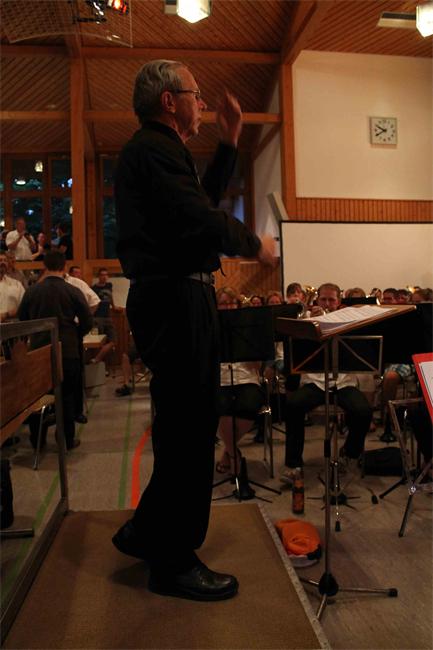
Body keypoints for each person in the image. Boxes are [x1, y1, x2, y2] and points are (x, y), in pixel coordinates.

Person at [112, 59, 275, 601]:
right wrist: (253, 244)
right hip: (175, 299)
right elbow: (200, 218)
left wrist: (229, 141)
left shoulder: (158, 150)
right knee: (188, 430)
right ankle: (174, 562)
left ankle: (148, 531)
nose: (201, 103)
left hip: (176, 297)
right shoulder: (152, 150)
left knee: (184, 424)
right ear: (169, 101)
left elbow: (199, 203)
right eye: (195, 94)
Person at [282, 282, 372, 487]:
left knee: (363, 411)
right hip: (315, 382)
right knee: (293, 405)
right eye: (323, 299)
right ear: (317, 300)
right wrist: (312, 321)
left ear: (338, 302)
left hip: (343, 382)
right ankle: (294, 465)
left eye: (331, 300)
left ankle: (349, 453)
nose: (327, 303)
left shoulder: (348, 320)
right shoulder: (306, 320)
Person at [18, 251, 93, 450]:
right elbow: (87, 320)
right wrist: (75, 334)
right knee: (67, 396)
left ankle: (38, 440)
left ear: (44, 266)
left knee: (38, 398)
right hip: (67, 351)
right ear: (64, 267)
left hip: (39, 352)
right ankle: (66, 440)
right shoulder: (72, 291)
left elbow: (22, 319)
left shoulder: (32, 292)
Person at [215, 286, 266, 473]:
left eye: (232, 303)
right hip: (220, 378)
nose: (228, 307)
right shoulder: (210, 327)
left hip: (247, 377)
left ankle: (228, 452)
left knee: (248, 407)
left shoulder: (249, 328)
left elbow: (258, 365)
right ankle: (235, 455)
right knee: (222, 408)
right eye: (223, 304)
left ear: (238, 305)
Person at [90, 268, 118, 365]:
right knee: (98, 342)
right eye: (102, 275)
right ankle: (98, 365)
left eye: (106, 275)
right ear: (98, 276)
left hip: (107, 317)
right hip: (97, 318)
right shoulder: (93, 288)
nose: (104, 277)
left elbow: (110, 297)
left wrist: (114, 306)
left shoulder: (109, 285)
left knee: (113, 340)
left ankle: (97, 359)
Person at [0, 253, 25, 322]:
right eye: (0, 260)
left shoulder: (17, 284)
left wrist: (7, 314)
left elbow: (24, 305)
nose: (3, 262)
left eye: (5, 260)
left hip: (12, 323)